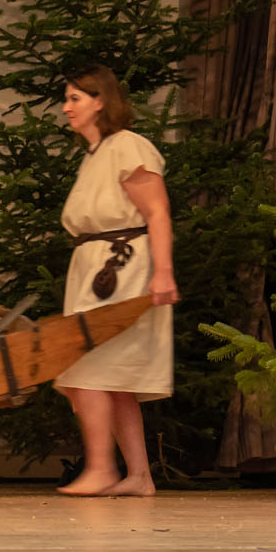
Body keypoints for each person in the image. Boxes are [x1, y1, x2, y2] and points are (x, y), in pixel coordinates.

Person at [53, 66, 177, 498]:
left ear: (100, 101)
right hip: (92, 268)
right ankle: (140, 476)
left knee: (88, 370)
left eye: (75, 98)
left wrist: (163, 272)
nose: (65, 108)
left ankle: (102, 468)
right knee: (112, 378)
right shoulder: (96, 154)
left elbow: (157, 212)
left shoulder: (128, 146)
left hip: (121, 268)